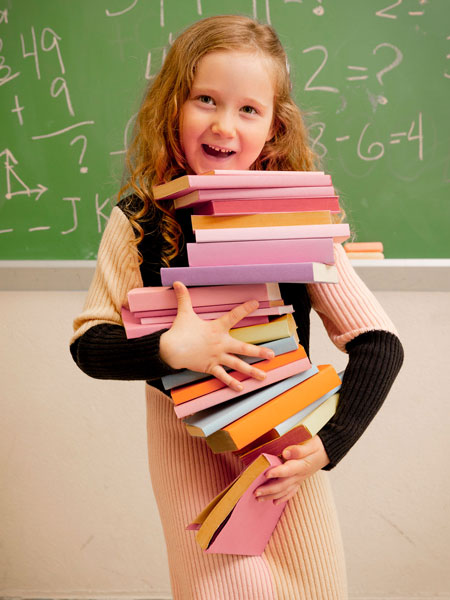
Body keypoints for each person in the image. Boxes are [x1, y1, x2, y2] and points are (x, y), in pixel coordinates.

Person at [70, 15, 403, 600]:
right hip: (187, 452)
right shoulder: (139, 219)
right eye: (205, 99)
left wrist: (329, 444)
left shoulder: (297, 219)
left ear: (274, 128)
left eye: (249, 109)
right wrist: (170, 347)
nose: (225, 124)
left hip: (283, 452)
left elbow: (379, 343)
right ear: (173, 105)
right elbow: (89, 345)